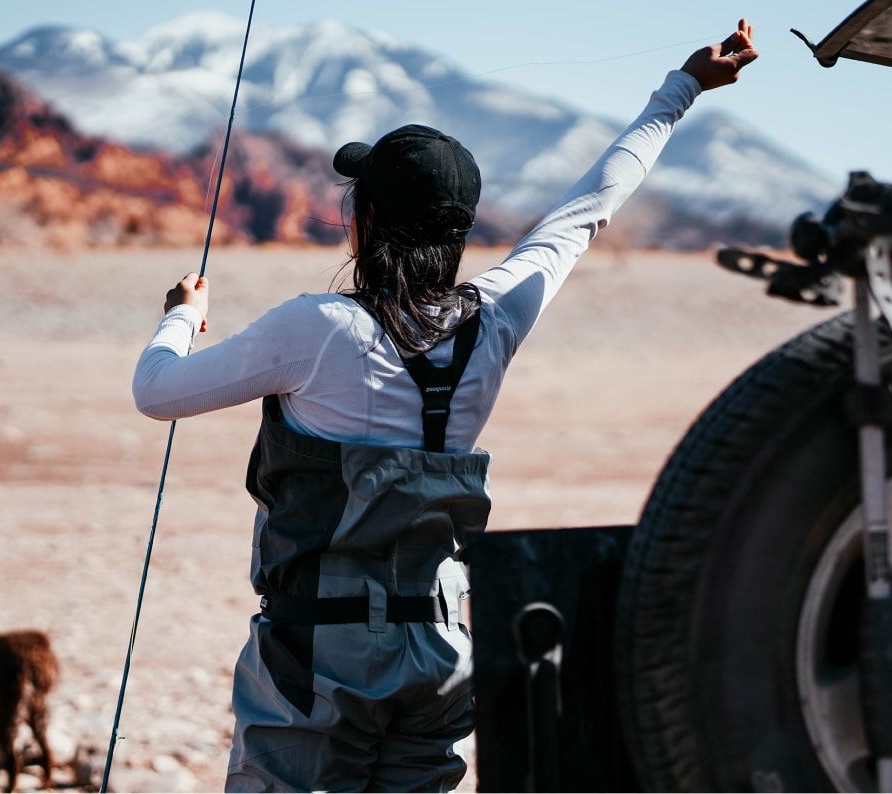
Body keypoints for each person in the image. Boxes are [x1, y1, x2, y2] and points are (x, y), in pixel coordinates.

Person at [132, 19, 757, 793]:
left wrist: (181, 318)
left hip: (315, 656)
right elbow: (586, 211)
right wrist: (681, 90)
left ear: (365, 224)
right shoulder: (494, 321)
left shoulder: (315, 329)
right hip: (440, 651)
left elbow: (156, 393)